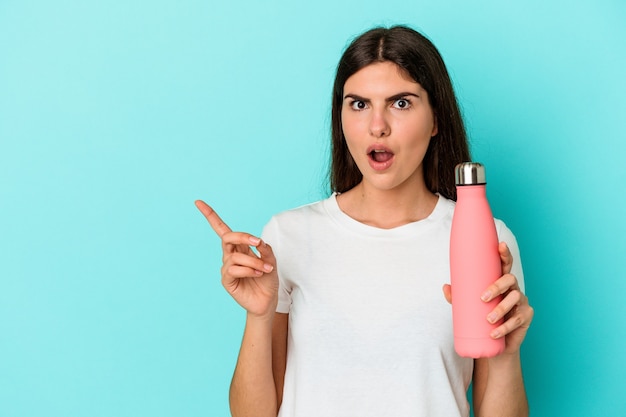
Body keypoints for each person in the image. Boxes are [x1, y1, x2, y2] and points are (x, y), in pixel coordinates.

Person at [196, 25, 534, 417]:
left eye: (401, 103)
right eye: (358, 104)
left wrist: (506, 355)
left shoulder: (485, 239)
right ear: (340, 116)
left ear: (436, 119)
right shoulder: (287, 236)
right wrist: (259, 316)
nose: (377, 126)